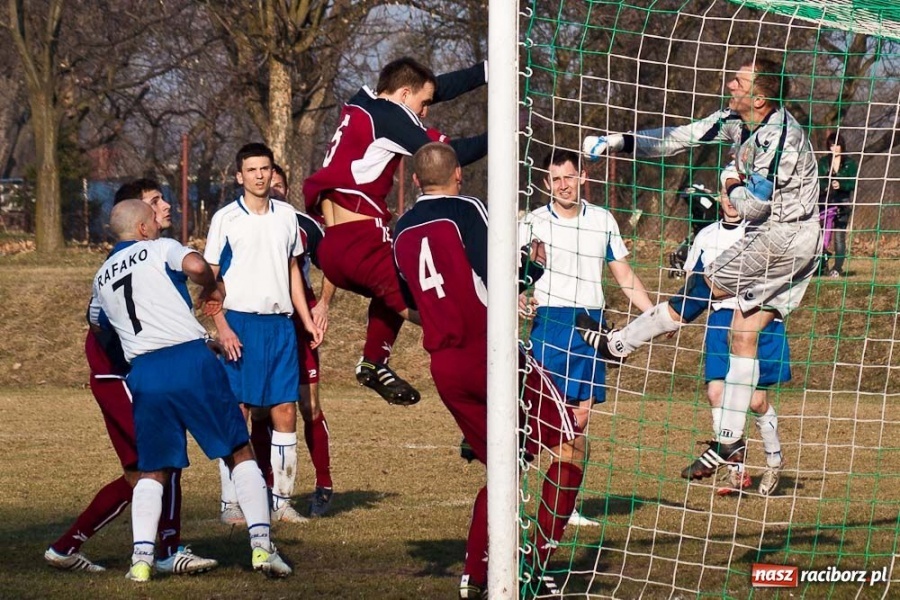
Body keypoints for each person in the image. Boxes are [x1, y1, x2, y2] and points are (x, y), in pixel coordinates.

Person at [579, 57, 819, 482]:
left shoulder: (781, 138)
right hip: (780, 236)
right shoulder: (733, 120)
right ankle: (730, 440)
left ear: (759, 97)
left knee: (700, 289)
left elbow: (754, 204)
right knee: (742, 334)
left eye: (739, 81)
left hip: (785, 237)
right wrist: (620, 141)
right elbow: (679, 139)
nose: (729, 84)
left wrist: (728, 180)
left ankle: (619, 345)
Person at [393, 143, 586, 599]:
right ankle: (535, 566)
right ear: (458, 173)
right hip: (491, 353)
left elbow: (405, 303)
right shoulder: (467, 209)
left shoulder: (400, 231)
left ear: (417, 181)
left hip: (445, 366)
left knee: (506, 466)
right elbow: (499, 275)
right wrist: (531, 267)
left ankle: (475, 574)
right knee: (570, 447)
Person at [91, 200, 291, 581]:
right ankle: (263, 548)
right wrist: (213, 287)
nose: (158, 223)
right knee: (239, 449)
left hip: (145, 373)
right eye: (153, 220)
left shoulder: (100, 277)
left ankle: (141, 561)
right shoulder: (161, 248)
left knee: (152, 469)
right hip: (189, 362)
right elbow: (198, 267)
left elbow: (98, 323)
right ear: (144, 229)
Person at [44, 179, 217, 575]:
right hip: (122, 376)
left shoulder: (147, 255)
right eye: (156, 202)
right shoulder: (135, 259)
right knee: (164, 458)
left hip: (122, 375)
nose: (166, 207)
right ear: (137, 217)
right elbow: (98, 317)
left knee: (138, 473)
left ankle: (65, 547)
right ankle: (167, 550)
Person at [303, 57, 488, 407]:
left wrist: (487, 71)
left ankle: (375, 361)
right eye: (423, 106)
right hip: (362, 241)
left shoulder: (364, 103)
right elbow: (448, 156)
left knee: (399, 288)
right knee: (444, 314)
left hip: (333, 248)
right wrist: (504, 134)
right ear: (403, 95)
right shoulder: (391, 117)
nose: (425, 113)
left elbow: (430, 86)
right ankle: (475, 383)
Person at [518, 149, 654, 525]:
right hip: (550, 326)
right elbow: (519, 274)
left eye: (569, 177)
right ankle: (521, 490)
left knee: (580, 419)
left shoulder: (602, 219)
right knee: (548, 418)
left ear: (582, 179)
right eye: (555, 178)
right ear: (547, 182)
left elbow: (623, 275)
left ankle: (566, 504)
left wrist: (655, 315)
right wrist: (520, 298)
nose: (563, 185)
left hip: (591, 328)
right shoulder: (532, 223)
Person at [206, 143, 323, 526]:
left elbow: (292, 269)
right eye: (251, 169)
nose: (259, 175)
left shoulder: (287, 216)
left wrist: (305, 321)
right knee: (237, 412)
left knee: (285, 411)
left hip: (281, 328)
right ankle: (232, 503)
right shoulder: (225, 219)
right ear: (239, 176)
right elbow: (211, 280)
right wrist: (221, 327)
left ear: (273, 173)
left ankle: (282, 502)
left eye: (265, 169)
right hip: (240, 325)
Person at [234, 164, 335, 519]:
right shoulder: (241, 221)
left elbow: (334, 265)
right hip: (262, 322)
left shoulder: (302, 224)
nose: (272, 188)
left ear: (286, 188)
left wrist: (321, 305)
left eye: (279, 184)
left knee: (309, 406)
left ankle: (323, 485)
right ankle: (266, 485)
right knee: (261, 408)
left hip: (298, 324)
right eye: (266, 182)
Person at [683, 188, 789, 496]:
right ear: (717, 197)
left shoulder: (763, 231)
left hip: (757, 318)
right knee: (716, 392)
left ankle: (774, 460)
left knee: (756, 401)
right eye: (724, 193)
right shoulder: (705, 236)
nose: (730, 200)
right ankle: (736, 469)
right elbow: (694, 282)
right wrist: (678, 317)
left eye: (736, 193)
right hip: (720, 321)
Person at [817, 132, 857, 278]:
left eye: (837, 145)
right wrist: (825, 186)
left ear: (842, 146)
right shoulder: (822, 162)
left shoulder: (850, 163)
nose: (834, 148)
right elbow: (818, 181)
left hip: (842, 204)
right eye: (832, 145)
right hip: (825, 204)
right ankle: (821, 266)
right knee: (821, 237)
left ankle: (837, 268)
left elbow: (853, 183)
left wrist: (841, 184)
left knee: (839, 237)